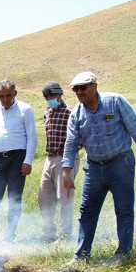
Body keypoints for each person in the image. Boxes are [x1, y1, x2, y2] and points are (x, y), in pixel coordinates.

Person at [62, 71, 136, 265]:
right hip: (94, 168)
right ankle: (81, 255)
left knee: (124, 210)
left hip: (120, 164)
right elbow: (70, 144)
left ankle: (123, 253)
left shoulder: (115, 102)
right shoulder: (77, 113)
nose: (79, 92)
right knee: (87, 211)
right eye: (75, 89)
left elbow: (135, 126)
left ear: (94, 86)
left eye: (83, 88)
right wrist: (66, 172)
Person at [0, 79, 38, 244]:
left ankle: (9, 236)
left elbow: (32, 137)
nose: (5, 100)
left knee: (14, 197)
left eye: (8, 96)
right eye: (1, 96)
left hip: (18, 158)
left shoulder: (25, 110)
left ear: (15, 94)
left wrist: (28, 161)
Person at [37, 81, 79, 243]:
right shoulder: (48, 112)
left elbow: (80, 136)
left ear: (60, 95)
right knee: (44, 196)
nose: (49, 99)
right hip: (50, 158)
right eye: (46, 97)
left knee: (64, 198)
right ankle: (48, 234)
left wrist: (69, 153)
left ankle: (65, 236)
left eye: (52, 96)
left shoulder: (71, 111)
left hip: (66, 158)